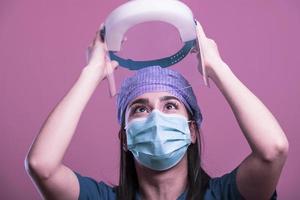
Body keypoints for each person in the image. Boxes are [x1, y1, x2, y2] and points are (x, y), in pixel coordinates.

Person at [25, 22, 288, 200]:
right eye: (140, 109)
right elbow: (41, 165)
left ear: (192, 130)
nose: (155, 117)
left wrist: (216, 67)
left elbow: (273, 150)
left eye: (170, 106)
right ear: (125, 138)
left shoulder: (225, 194)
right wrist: (91, 73)